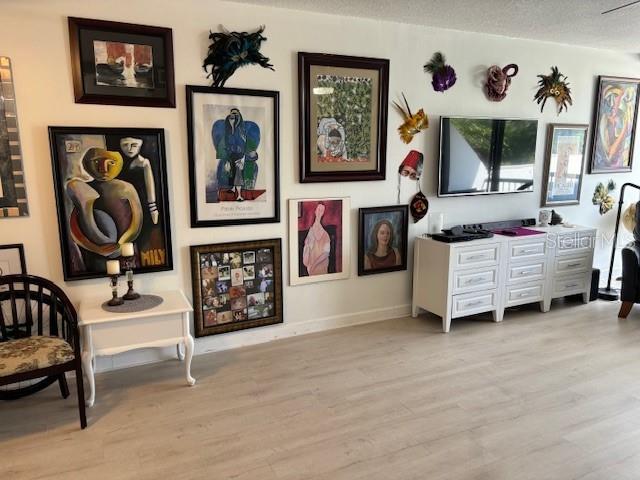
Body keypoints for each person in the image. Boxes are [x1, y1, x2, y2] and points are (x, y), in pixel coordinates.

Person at [303, 203, 331, 275]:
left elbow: (325, 254)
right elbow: (305, 262)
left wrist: (314, 265)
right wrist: (307, 247)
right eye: (318, 209)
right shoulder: (310, 233)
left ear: (323, 213)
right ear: (315, 211)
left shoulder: (326, 235)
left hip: (322, 271)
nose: (319, 212)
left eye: (321, 210)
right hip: (311, 273)